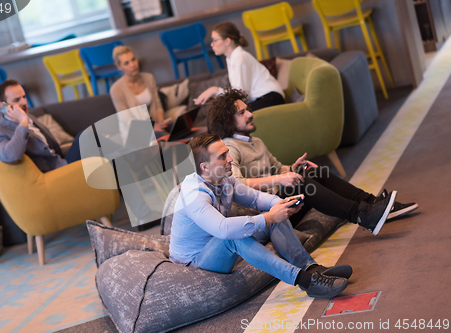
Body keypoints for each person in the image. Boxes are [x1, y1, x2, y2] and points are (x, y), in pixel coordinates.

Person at [208, 88, 419, 234]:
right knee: (302, 182)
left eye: (248, 109)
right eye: (242, 113)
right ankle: (362, 216)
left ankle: (373, 203)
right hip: (268, 211)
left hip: (280, 197)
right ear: (228, 121)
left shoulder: (256, 142)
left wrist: (293, 168)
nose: (250, 114)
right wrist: (281, 178)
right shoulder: (229, 148)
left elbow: (277, 167)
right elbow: (238, 185)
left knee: (313, 171)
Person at [169, 133, 353, 299]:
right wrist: (270, 217)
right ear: (205, 167)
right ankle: (305, 281)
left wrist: (281, 204)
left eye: (228, 153)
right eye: (223, 156)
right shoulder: (193, 194)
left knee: (272, 215)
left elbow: (255, 198)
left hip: (216, 244)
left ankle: (311, 269)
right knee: (237, 236)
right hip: (195, 263)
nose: (231, 159)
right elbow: (223, 230)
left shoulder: (225, 180)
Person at [0, 79, 159, 226]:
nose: (24, 102)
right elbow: (10, 155)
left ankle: (143, 216)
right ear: (3, 106)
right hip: (54, 178)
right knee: (88, 135)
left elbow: (54, 150)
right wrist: (22, 123)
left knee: (115, 158)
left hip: (64, 164)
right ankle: (136, 156)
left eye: (24, 97)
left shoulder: (31, 118)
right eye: (17, 100)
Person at [194, 22, 284, 111]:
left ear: (227, 41)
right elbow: (238, 93)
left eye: (215, 40)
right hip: (264, 98)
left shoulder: (239, 57)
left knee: (235, 116)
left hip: (271, 97)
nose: (212, 44)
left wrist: (215, 90)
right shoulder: (231, 58)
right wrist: (217, 96)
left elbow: (241, 95)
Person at [110, 45, 170, 139]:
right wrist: (153, 128)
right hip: (134, 134)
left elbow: (158, 106)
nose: (132, 65)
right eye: (126, 63)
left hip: (155, 128)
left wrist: (161, 123)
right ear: (119, 67)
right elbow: (127, 120)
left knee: (175, 132)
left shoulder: (149, 78)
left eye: (133, 59)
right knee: (165, 139)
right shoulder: (116, 89)